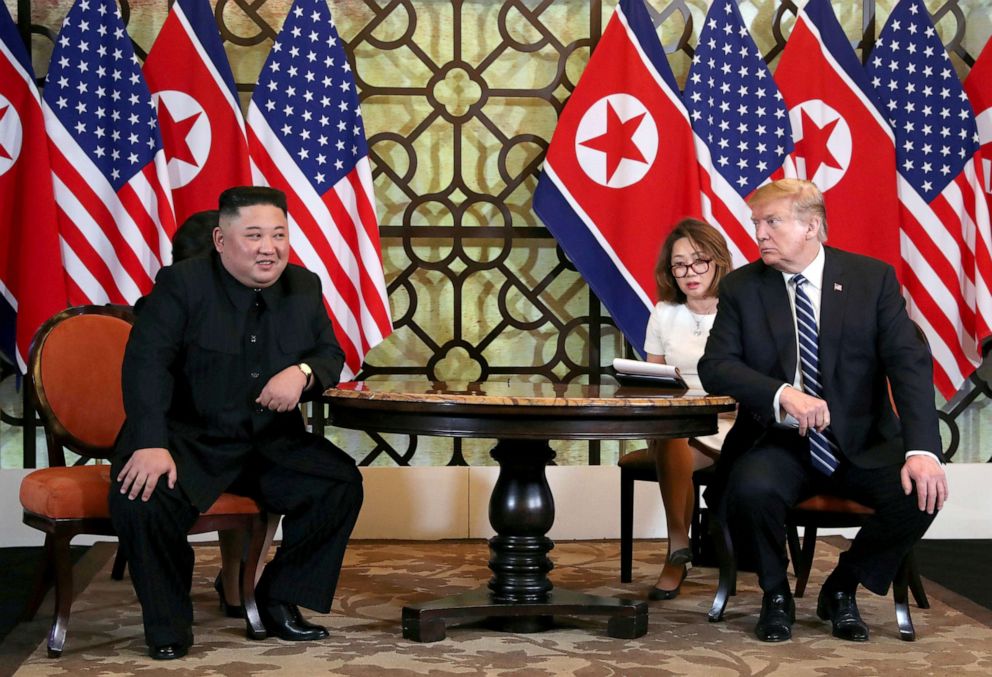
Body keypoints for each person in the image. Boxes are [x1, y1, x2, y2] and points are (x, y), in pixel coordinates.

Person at [109, 186, 364, 660]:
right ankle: (168, 624)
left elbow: (330, 354)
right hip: (188, 438)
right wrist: (149, 442)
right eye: (254, 235)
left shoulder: (303, 286)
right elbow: (146, 365)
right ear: (222, 240)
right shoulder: (181, 284)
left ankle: (277, 599)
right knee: (141, 497)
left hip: (268, 442)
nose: (269, 248)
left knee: (339, 483)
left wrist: (302, 373)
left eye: (278, 235)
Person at [698, 179, 948, 643]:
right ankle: (775, 594)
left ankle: (842, 586)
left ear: (812, 225)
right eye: (756, 223)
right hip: (780, 442)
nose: (760, 234)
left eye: (772, 222)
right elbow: (716, 366)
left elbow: (908, 366)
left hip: (862, 442)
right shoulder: (742, 287)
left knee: (922, 489)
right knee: (750, 488)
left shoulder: (871, 280)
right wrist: (780, 393)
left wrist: (922, 450)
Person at [641, 218, 733, 600]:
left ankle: (676, 552)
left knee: (672, 435)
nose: (689, 273)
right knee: (670, 431)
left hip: (730, 420)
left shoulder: (739, 308)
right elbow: (651, 381)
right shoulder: (664, 313)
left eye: (698, 261)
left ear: (718, 262)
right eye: (679, 265)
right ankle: (679, 538)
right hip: (675, 423)